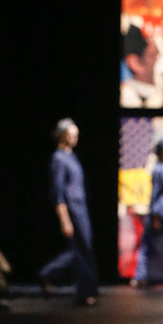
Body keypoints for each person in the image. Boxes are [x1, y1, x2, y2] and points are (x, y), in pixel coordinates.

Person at [38, 119, 99, 306]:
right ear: (63, 135)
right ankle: (84, 292)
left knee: (81, 250)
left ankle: (48, 274)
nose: (75, 137)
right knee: (80, 251)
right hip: (72, 208)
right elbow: (58, 192)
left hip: (81, 207)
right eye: (72, 134)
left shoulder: (71, 156)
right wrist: (64, 219)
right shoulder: (58, 158)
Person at [135, 138, 163, 286]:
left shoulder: (159, 168)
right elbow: (155, 193)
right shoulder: (157, 170)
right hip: (160, 211)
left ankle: (142, 275)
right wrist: (154, 213)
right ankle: (141, 276)